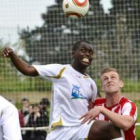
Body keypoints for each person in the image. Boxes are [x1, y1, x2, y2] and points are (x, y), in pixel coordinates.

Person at [3, 40, 123, 140]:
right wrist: (13, 55)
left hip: (81, 128)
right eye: (83, 50)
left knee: (112, 129)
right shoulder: (60, 71)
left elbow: (94, 107)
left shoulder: (91, 84)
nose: (87, 54)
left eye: (90, 52)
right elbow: (28, 69)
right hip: (60, 131)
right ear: (73, 54)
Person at [80, 67, 137, 140]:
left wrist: (101, 109)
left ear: (121, 84)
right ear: (102, 87)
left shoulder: (127, 105)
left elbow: (126, 124)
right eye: (105, 79)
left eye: (113, 77)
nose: (109, 80)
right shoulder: (95, 104)